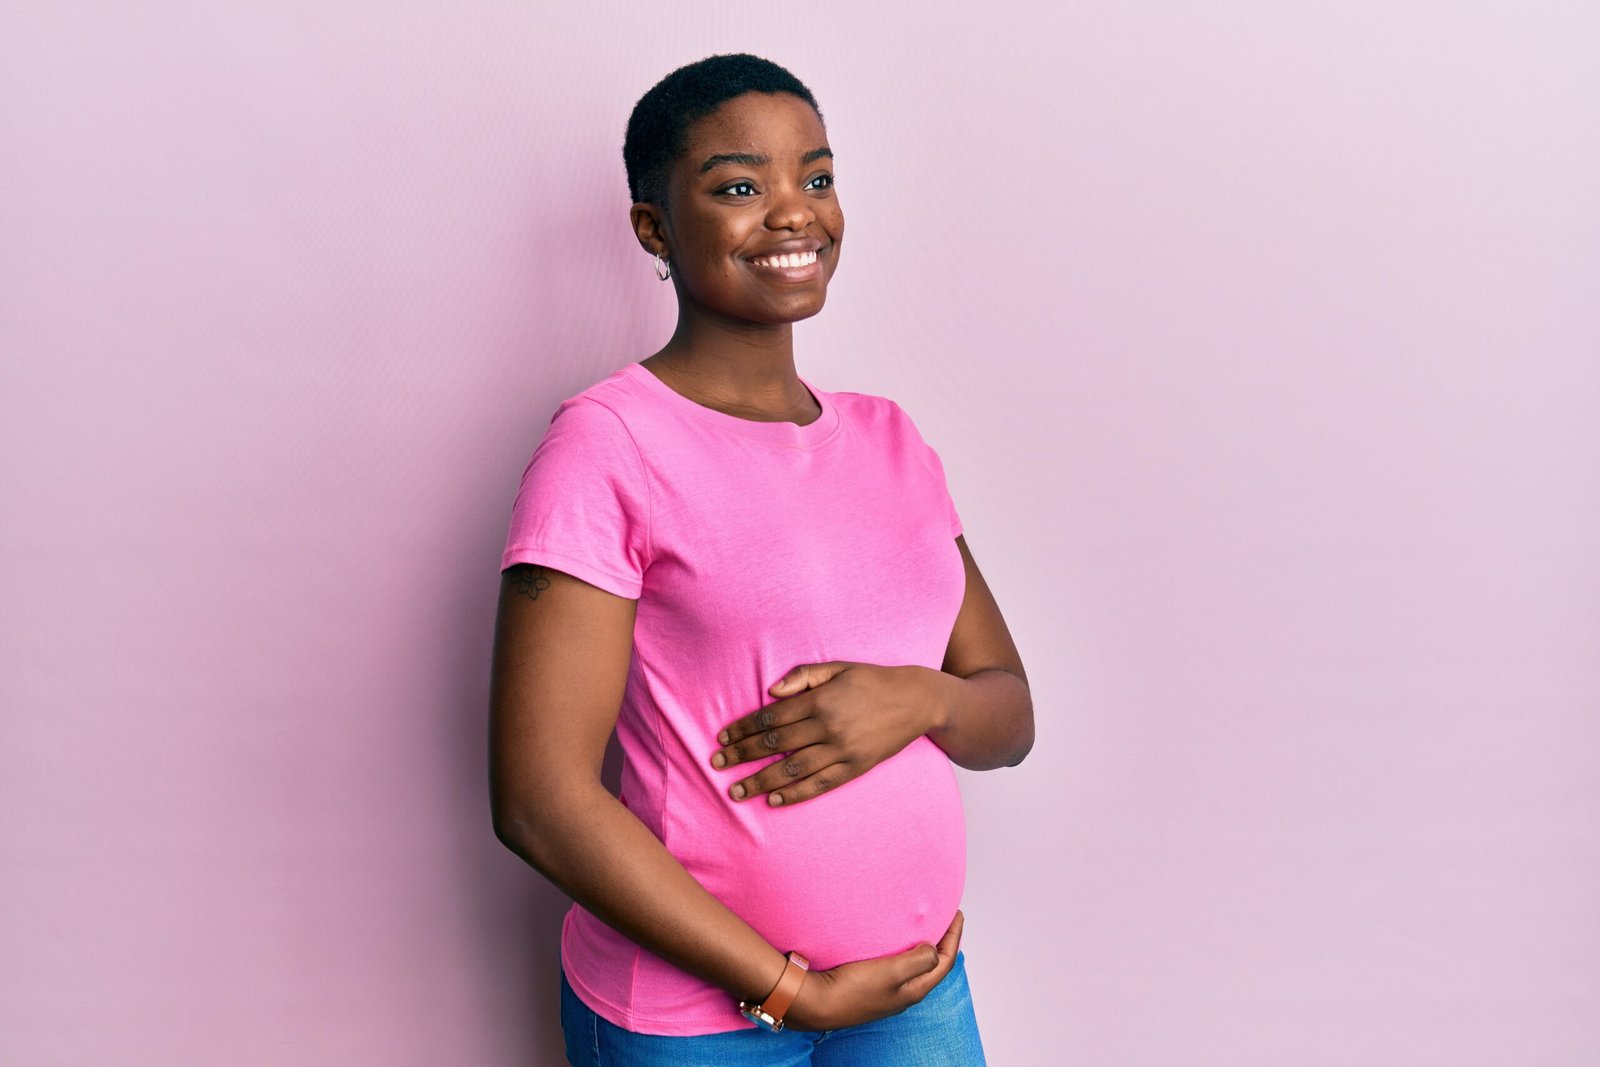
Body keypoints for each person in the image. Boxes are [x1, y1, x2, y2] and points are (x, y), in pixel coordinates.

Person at [489, 53, 1034, 1066]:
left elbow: (1007, 713)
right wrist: (789, 988)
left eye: (816, 178)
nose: (793, 214)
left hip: (915, 987)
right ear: (654, 227)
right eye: (740, 186)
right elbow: (537, 798)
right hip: (698, 1023)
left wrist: (921, 698)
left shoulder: (890, 439)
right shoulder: (608, 443)